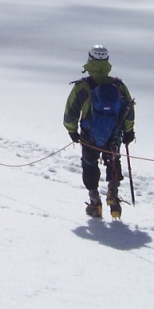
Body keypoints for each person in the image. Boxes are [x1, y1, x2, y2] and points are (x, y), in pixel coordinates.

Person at [63, 45, 135, 218]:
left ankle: (95, 202)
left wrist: (72, 131)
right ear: (107, 61)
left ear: (89, 60)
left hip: (89, 135)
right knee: (113, 162)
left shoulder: (83, 86)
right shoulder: (118, 85)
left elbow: (70, 111)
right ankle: (113, 194)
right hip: (114, 134)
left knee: (89, 165)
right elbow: (129, 110)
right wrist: (129, 132)